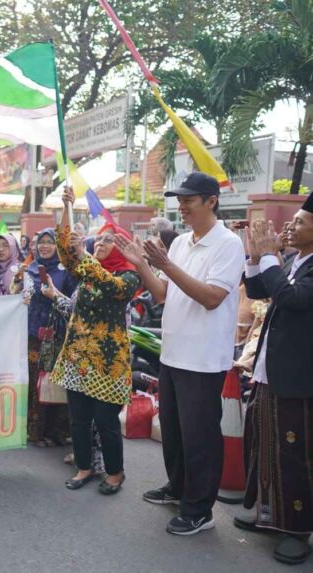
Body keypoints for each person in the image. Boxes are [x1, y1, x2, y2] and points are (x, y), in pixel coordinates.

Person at [115, 172, 245, 535]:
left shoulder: (228, 244)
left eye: (189, 200)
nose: (182, 206)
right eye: (179, 199)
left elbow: (211, 298)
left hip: (203, 358)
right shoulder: (182, 243)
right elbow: (162, 294)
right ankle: (179, 488)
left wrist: (167, 264)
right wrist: (142, 263)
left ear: (211, 201)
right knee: (173, 430)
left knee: (200, 435)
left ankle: (200, 508)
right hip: (172, 352)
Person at [237, 204, 313, 566]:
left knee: (295, 455)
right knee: (264, 444)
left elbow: (291, 298)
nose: (290, 226)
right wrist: (256, 256)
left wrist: (270, 256)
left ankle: (298, 529)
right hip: (272, 371)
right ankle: (271, 517)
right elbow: (257, 290)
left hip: (299, 380)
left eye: (300, 222)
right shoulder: (296, 260)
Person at [50, 187, 140, 496]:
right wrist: (66, 207)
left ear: (122, 247)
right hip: (78, 356)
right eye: (98, 238)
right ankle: (85, 467)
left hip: (109, 361)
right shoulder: (86, 269)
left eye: (108, 240)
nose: (101, 243)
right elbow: (64, 250)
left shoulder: (129, 276)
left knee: (106, 420)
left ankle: (115, 473)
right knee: (79, 419)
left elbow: (110, 285)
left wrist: (85, 255)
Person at [16, 228, 77, 447]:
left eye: (50, 242)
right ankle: (34, 432)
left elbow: (73, 302)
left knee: (56, 381)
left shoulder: (66, 271)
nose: (44, 246)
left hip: (59, 334)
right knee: (34, 382)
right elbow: (21, 296)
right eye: (40, 242)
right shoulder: (30, 268)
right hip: (33, 333)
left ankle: (56, 431)